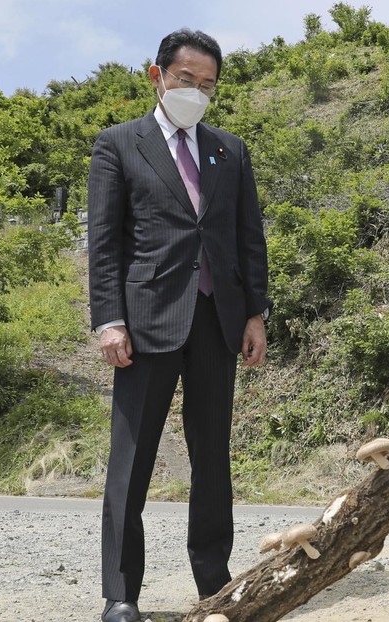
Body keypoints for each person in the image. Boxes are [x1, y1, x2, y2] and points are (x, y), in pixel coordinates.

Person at [87, 29, 271, 622]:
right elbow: (105, 244)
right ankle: (121, 594)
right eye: (186, 80)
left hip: (217, 323)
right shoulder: (119, 145)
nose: (196, 92)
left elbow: (248, 240)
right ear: (157, 75)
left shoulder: (229, 150)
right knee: (131, 460)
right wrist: (109, 320)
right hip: (144, 325)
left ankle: (214, 581)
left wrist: (255, 314)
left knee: (212, 458)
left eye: (208, 84)